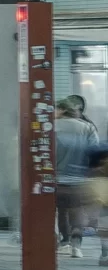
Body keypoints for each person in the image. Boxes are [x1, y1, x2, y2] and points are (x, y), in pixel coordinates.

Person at [54, 99, 95, 255]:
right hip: (80, 179)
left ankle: (64, 241)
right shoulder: (87, 127)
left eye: (55, 109)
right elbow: (94, 152)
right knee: (77, 211)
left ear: (63, 110)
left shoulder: (53, 126)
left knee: (62, 211)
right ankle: (76, 245)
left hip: (57, 178)